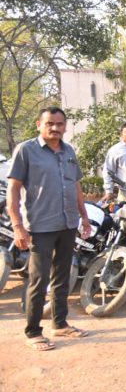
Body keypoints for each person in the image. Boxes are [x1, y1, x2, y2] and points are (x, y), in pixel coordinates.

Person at [7, 107, 92, 351]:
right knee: (39, 279)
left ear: (65, 126)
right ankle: (33, 332)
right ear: (39, 124)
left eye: (59, 124)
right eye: (49, 123)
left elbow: (76, 186)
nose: (55, 128)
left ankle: (60, 323)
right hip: (40, 226)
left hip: (67, 224)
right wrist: (17, 226)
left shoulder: (69, 151)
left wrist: (84, 217)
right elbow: (14, 189)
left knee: (62, 277)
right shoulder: (26, 150)